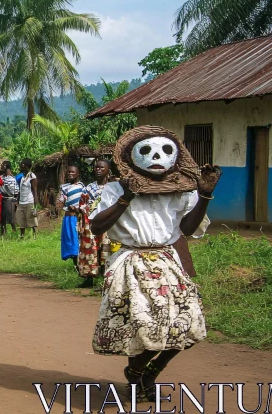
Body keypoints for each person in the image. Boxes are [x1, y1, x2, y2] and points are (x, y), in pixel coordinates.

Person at [90, 126, 220, 402]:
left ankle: (144, 373)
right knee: (145, 326)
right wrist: (127, 196)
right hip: (132, 263)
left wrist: (205, 195)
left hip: (167, 261)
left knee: (187, 325)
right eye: (148, 152)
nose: (157, 157)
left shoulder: (182, 190)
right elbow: (97, 225)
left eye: (164, 151)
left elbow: (187, 228)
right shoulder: (116, 189)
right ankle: (138, 374)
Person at [76, 159, 111, 288]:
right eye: (96, 167)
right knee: (90, 250)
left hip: (108, 223)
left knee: (106, 250)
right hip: (91, 223)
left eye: (101, 168)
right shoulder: (89, 188)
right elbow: (82, 204)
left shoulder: (113, 187)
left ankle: (105, 280)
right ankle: (89, 278)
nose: (98, 170)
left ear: (108, 169)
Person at [59, 165, 83, 270]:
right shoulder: (64, 187)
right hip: (68, 218)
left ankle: (80, 263)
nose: (70, 174)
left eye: (72, 172)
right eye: (68, 172)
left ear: (77, 174)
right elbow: (61, 201)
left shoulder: (82, 187)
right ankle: (75, 264)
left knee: (77, 239)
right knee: (69, 240)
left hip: (78, 217)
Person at [15, 158, 38, 239]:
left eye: (22, 164)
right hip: (21, 201)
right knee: (21, 220)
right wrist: (18, 200)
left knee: (31, 219)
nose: (21, 165)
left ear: (26, 165)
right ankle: (22, 236)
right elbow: (20, 190)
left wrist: (35, 204)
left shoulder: (32, 176)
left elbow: (35, 190)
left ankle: (35, 235)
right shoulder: (21, 176)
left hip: (29, 201)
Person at [0, 161, 19, 235]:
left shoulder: (12, 179)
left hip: (10, 199)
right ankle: (3, 232)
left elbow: (16, 191)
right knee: (3, 217)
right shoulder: (1, 177)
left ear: (5, 166)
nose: (1, 166)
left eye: (2, 165)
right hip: (3, 199)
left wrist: (16, 200)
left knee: (11, 218)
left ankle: (14, 231)